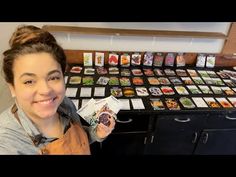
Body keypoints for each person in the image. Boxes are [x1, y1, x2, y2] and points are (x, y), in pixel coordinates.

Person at [0, 25, 115, 155]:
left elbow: (79, 140)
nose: (45, 90)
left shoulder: (65, 104)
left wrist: (97, 133)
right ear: (12, 88)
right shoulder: (6, 142)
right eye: (29, 81)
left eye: (53, 77)